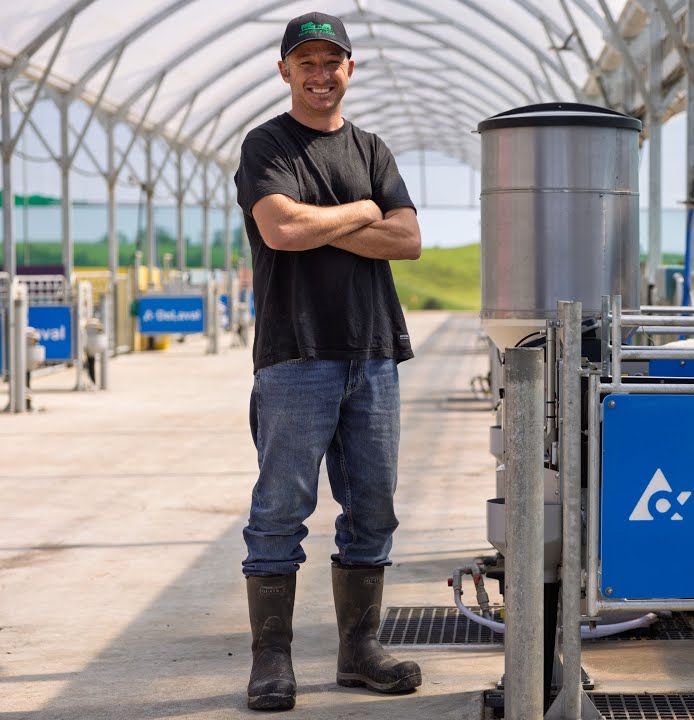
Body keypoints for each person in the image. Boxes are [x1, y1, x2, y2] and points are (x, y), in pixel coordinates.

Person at [233, 11, 423, 711]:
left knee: (372, 507)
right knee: (280, 509)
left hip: (373, 352)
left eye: (331, 62)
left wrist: (328, 221)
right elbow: (281, 230)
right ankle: (271, 661)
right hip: (296, 353)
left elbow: (407, 239)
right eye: (306, 62)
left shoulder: (370, 146)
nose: (320, 74)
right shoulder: (266, 145)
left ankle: (359, 651)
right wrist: (364, 210)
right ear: (285, 70)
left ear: (350, 69)